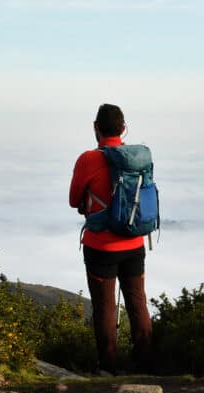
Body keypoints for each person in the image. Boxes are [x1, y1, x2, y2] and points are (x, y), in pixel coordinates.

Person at [68, 103, 153, 375]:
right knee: (137, 302)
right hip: (135, 242)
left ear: (96, 129)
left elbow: (73, 200)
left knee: (105, 307)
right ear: (123, 127)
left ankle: (108, 369)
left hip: (101, 246)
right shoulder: (138, 158)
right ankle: (145, 365)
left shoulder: (89, 159)